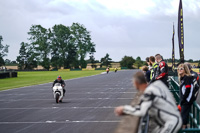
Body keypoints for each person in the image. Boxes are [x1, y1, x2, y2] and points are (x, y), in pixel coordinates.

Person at [115, 71, 182, 133]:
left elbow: (142, 111)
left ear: (136, 83)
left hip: (171, 122)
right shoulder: (156, 85)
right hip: (172, 119)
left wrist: (124, 109)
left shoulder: (149, 92)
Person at [177, 64, 197, 129]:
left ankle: (184, 130)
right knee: (182, 115)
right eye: (179, 69)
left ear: (185, 70)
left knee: (183, 116)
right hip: (184, 100)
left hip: (186, 101)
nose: (179, 70)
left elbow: (188, 90)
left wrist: (183, 100)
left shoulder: (187, 77)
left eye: (181, 69)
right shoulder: (183, 78)